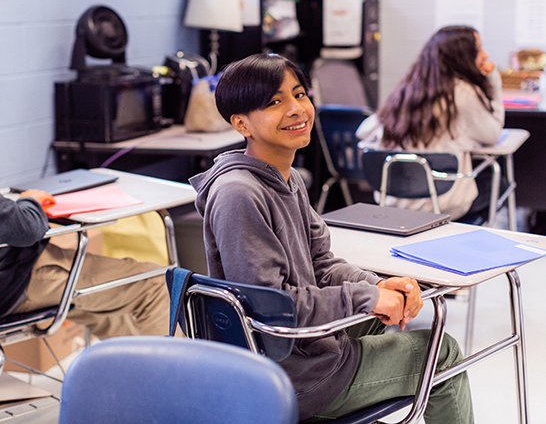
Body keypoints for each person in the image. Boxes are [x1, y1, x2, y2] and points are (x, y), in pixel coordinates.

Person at [189, 53, 474, 423]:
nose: (297, 109)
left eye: (300, 94)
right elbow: (272, 308)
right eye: (275, 102)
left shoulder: (286, 178)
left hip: (306, 346)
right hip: (292, 373)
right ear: (241, 123)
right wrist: (368, 297)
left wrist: (381, 285)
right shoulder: (239, 193)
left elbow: (321, 264)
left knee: (414, 320)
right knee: (442, 353)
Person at [356, 25, 504, 221]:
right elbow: (492, 135)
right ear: (462, 56)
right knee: (498, 182)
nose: (484, 55)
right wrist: (494, 81)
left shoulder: (405, 90)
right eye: (477, 49)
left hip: (395, 202)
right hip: (443, 204)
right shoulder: (464, 93)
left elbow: (362, 131)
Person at [0, 189, 170, 339]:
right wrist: (31, 201)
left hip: (10, 284)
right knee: (158, 283)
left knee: (110, 316)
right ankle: (171, 375)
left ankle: (139, 370)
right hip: (16, 281)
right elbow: (29, 228)